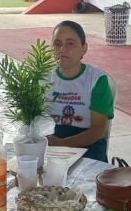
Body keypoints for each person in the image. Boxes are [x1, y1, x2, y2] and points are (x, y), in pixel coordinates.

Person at [46, 20, 116, 163]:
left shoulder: (97, 80)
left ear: (84, 48)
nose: (62, 49)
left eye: (70, 43)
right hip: (51, 140)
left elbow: (98, 131)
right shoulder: (43, 78)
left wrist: (62, 144)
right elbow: (33, 121)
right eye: (57, 44)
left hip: (88, 143)